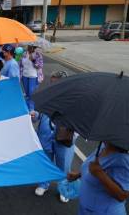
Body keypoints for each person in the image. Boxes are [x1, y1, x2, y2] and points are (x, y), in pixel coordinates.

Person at [32, 71, 77, 203]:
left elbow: (80, 121)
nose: (52, 86)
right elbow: (39, 113)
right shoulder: (47, 96)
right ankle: (43, 184)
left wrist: (73, 135)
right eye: (51, 83)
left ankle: (64, 190)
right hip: (46, 136)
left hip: (64, 139)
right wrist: (35, 115)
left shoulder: (74, 100)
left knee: (64, 165)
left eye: (54, 83)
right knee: (45, 161)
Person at [68, 142, 129, 214]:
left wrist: (100, 174)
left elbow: (122, 196)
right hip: (86, 208)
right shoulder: (103, 146)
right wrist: (78, 175)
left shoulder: (123, 160)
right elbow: (91, 167)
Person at [20, 45, 44, 111]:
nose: (29, 47)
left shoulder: (38, 55)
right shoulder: (24, 53)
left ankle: (32, 109)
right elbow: (21, 64)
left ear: (34, 47)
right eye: (28, 46)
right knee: (27, 93)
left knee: (31, 93)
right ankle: (27, 108)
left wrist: (33, 60)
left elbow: (40, 66)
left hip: (33, 76)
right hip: (25, 75)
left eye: (31, 46)